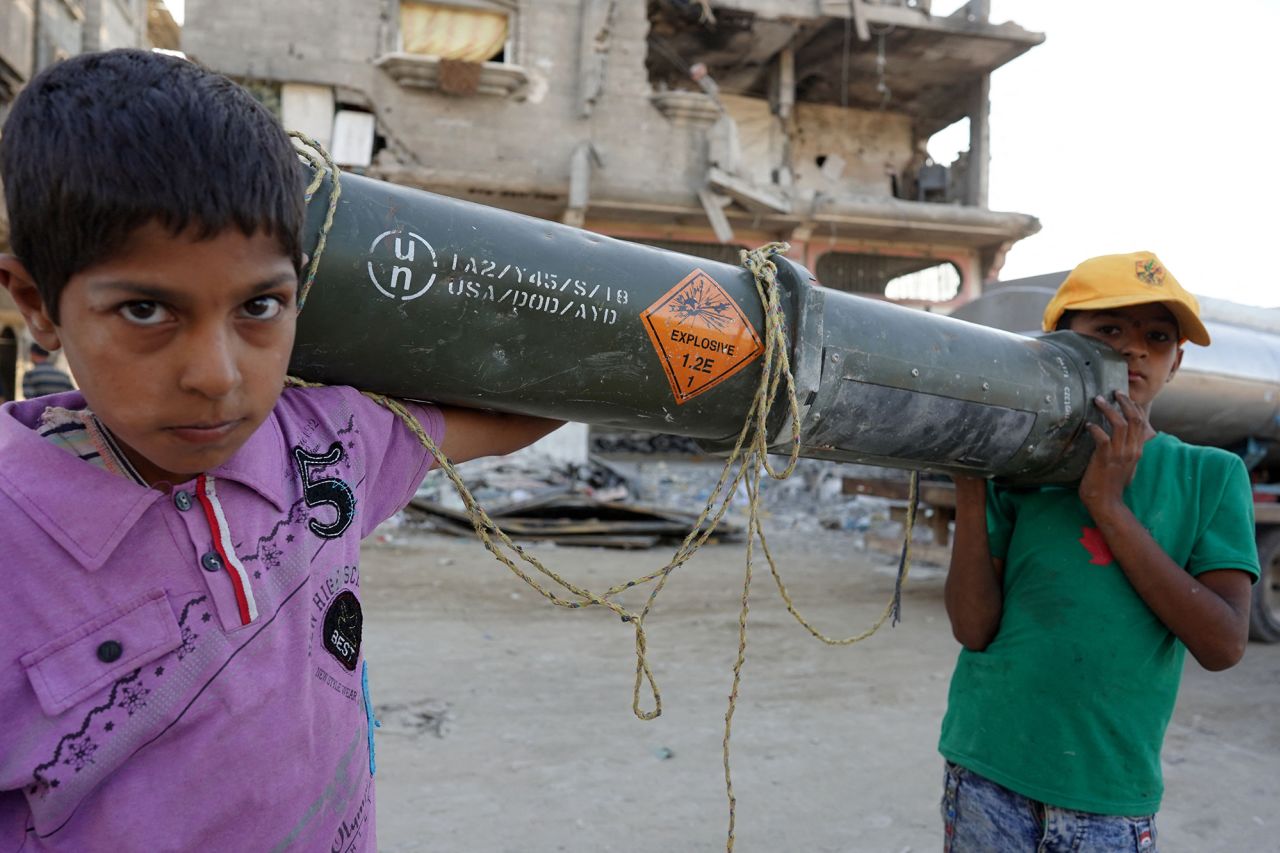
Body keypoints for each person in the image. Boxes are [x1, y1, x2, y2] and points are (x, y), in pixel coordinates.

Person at [0, 50, 561, 849]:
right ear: (37, 304)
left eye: (260, 304)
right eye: (147, 310)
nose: (217, 376)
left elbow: (525, 408)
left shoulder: (326, 447)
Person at [938, 251, 1260, 852]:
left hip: (1108, 795)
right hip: (988, 768)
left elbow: (1223, 644)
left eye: (1157, 337)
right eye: (1108, 330)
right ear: (1058, 345)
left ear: (1176, 362)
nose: (1133, 349)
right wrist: (971, 483)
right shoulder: (1018, 472)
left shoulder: (1209, 476)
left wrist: (1108, 505)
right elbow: (974, 629)